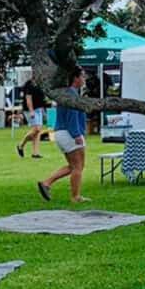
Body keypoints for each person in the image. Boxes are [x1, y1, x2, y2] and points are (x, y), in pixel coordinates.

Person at [38, 66, 89, 204]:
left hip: (61, 132)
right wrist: (76, 134)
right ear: (75, 78)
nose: (84, 79)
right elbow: (72, 116)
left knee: (72, 166)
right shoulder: (71, 95)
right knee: (78, 166)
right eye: (82, 76)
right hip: (69, 133)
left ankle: (46, 183)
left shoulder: (66, 93)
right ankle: (75, 196)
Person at [17, 76, 47, 159]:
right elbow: (28, 99)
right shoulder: (29, 85)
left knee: (38, 131)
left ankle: (35, 153)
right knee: (36, 129)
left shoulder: (40, 84)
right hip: (30, 109)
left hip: (39, 109)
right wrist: (31, 111)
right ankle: (21, 145)